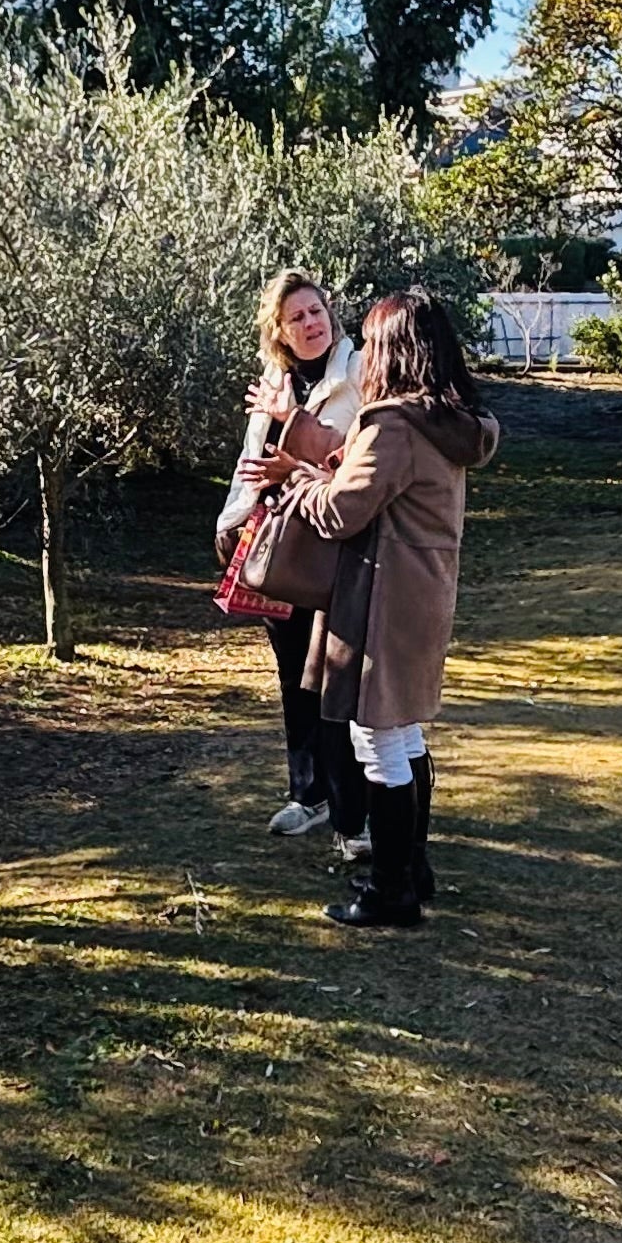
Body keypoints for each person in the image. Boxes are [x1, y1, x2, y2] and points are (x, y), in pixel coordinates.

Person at [275, 290, 498, 928]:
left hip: (383, 597)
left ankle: (391, 889)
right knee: (404, 732)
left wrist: (301, 481)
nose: (364, 352)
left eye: (372, 342)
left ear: (395, 350)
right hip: (424, 592)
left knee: (377, 737)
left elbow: (343, 513)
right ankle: (412, 870)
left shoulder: (393, 423)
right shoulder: (449, 420)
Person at [221, 270, 370, 851]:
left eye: (316, 312)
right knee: (291, 673)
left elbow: (352, 459)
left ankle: (351, 806)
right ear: (279, 331)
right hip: (276, 546)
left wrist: (293, 426)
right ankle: (307, 792)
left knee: (335, 680)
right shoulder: (274, 379)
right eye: (297, 318)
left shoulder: (357, 373)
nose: (311, 324)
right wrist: (230, 522)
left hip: (329, 548)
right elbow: (250, 461)